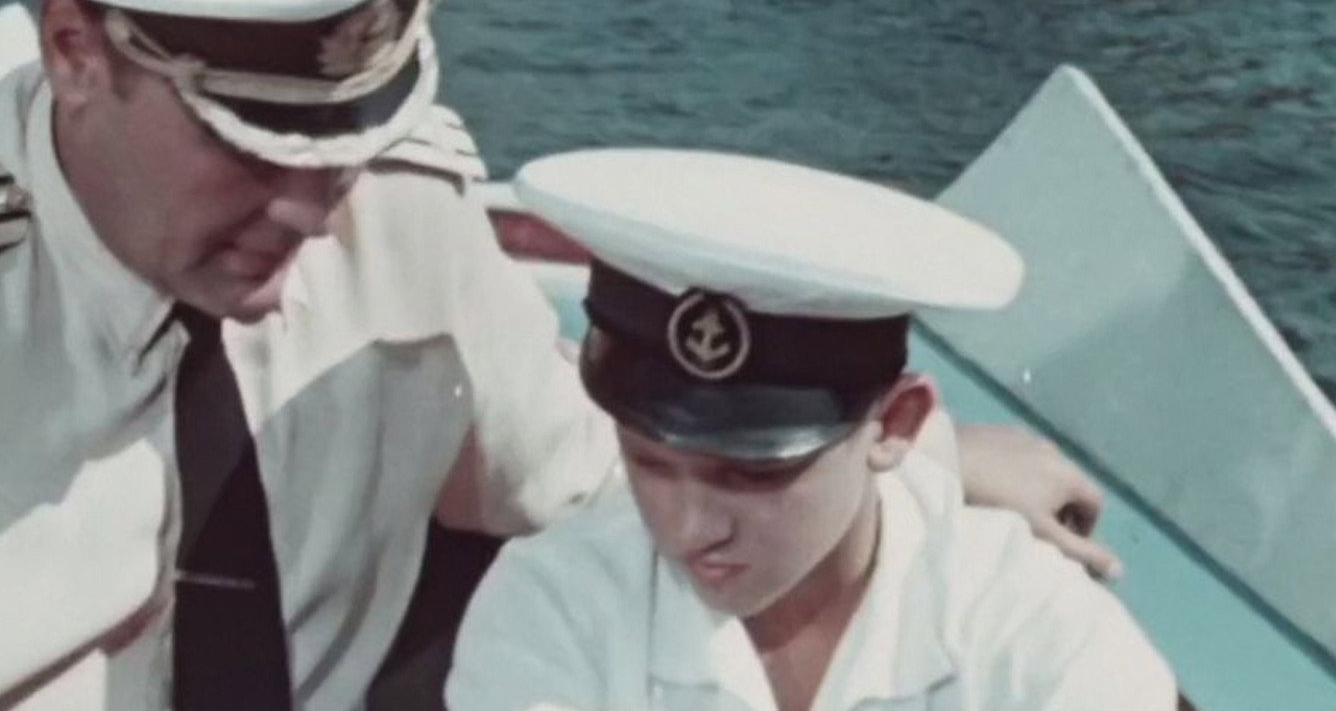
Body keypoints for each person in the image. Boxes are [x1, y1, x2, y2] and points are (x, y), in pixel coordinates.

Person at [0, 0, 1119, 709]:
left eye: (345, 142)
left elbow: (580, 477)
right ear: (73, 42)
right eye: (249, 142)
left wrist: (912, 469)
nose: (314, 206)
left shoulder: (401, 201)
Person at [445, 149, 1178, 711]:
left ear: (896, 424)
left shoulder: (1031, 631)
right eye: (649, 463)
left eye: (753, 474)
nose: (691, 526)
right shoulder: (554, 604)